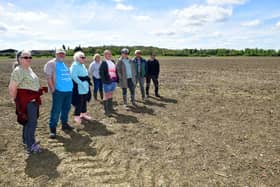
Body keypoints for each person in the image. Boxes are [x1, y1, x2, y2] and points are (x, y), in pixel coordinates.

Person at [9, 50, 47, 153]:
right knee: (32, 123)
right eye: (26, 57)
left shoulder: (28, 69)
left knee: (28, 121)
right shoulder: (19, 70)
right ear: (20, 59)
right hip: (26, 102)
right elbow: (12, 87)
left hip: (32, 100)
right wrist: (16, 101)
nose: (29, 59)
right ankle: (31, 145)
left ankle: (26, 141)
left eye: (30, 57)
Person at [44, 48, 74, 139]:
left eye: (63, 54)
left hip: (68, 91)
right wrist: (53, 89)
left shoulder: (63, 64)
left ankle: (64, 124)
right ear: (56, 54)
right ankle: (52, 129)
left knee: (66, 109)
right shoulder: (51, 64)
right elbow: (48, 77)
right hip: (59, 91)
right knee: (56, 110)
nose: (61, 55)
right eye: (59, 53)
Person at [70, 51, 92, 124]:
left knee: (84, 101)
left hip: (85, 86)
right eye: (82, 57)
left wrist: (86, 84)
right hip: (78, 86)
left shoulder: (82, 65)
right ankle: (77, 116)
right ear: (77, 58)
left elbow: (85, 74)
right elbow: (74, 76)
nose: (84, 58)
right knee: (79, 102)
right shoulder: (75, 65)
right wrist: (81, 83)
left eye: (84, 57)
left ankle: (83, 114)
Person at [99, 50, 118, 116]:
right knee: (106, 95)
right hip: (107, 82)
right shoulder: (103, 63)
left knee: (110, 94)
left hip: (113, 81)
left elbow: (115, 71)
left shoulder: (112, 62)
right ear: (104, 55)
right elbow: (101, 73)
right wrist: (105, 82)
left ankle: (110, 108)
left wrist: (117, 79)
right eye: (107, 54)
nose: (109, 55)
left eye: (110, 54)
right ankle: (106, 111)